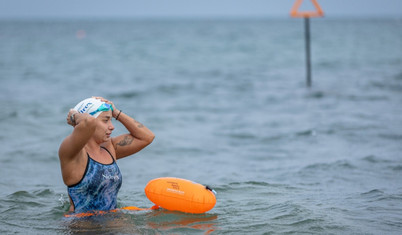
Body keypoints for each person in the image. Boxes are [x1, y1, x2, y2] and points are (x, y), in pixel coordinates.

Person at [58, 97, 155, 213]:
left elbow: (147, 137)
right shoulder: (73, 153)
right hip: (83, 227)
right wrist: (74, 116)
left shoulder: (109, 148)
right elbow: (88, 122)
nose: (111, 126)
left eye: (111, 120)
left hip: (111, 222)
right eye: (105, 120)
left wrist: (116, 113)